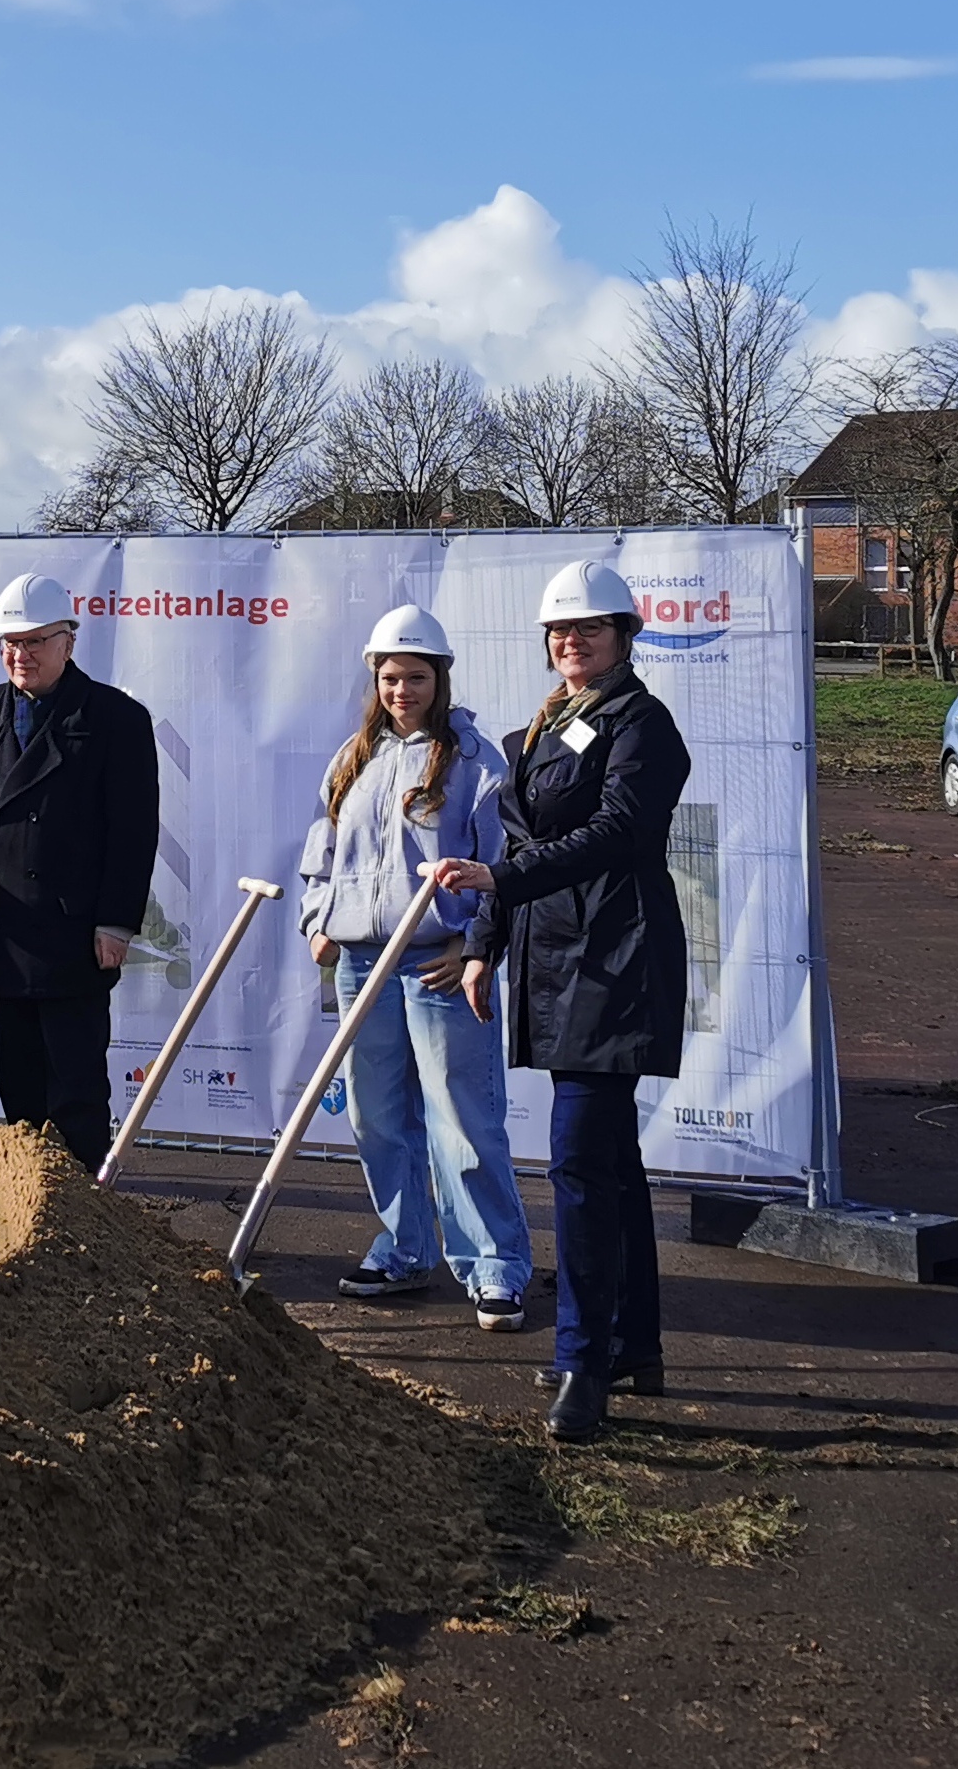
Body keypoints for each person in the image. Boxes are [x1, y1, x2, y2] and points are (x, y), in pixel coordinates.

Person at [431, 559, 692, 1442]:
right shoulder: (545, 727)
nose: (571, 642)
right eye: (559, 631)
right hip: (554, 959)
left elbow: (618, 832)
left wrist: (500, 884)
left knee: (580, 1164)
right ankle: (632, 1344)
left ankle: (583, 1362)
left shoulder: (642, 724)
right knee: (610, 1165)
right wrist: (484, 942)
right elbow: (517, 841)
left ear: (623, 637)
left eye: (588, 629)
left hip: (616, 960)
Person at [300, 605, 534, 1330]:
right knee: (376, 1118)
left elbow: (502, 864)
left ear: (441, 678)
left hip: (437, 963)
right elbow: (322, 849)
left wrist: (474, 946)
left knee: (461, 1120)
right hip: (360, 964)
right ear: (376, 680)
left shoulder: (475, 762)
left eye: (417, 677)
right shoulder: (353, 757)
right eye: (391, 678)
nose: (402, 690)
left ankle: (494, 1268)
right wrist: (317, 920)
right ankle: (403, 1251)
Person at [0, 572, 159, 1172]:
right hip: (3, 928)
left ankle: (84, 1200)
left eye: (34, 641)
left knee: (75, 1084)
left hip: (73, 933)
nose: (20, 654)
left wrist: (116, 922)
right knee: (18, 1080)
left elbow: (133, 832)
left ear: (68, 642)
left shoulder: (116, 719)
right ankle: (27, 1192)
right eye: (10, 642)